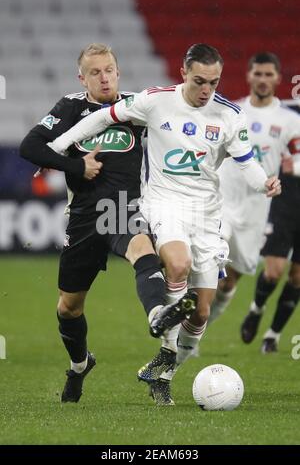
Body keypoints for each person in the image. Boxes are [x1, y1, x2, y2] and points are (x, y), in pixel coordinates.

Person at [48, 43, 281, 406]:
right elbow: (103, 116)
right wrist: (59, 146)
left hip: (208, 214)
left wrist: (264, 181)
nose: (207, 90)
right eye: (200, 81)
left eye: (214, 82)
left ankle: (165, 369)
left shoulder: (230, 115)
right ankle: (161, 323)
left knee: (201, 312)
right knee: (177, 262)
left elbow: (247, 164)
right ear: (185, 73)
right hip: (164, 203)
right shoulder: (155, 101)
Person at [20, 43, 196, 404]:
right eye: (95, 72)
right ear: (81, 78)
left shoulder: (136, 106)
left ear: (119, 72)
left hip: (123, 207)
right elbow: (30, 146)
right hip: (84, 216)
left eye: (109, 70)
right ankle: (80, 364)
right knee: (69, 307)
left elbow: (178, 127)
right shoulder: (71, 107)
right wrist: (77, 166)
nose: (104, 78)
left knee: (142, 250)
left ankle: (158, 314)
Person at [209, 53, 300, 336]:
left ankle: (195, 333)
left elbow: (298, 157)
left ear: (278, 78)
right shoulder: (231, 112)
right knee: (211, 261)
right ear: (248, 76)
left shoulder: (289, 121)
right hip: (222, 200)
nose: (262, 80)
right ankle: (180, 324)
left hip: (257, 209)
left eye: (268, 75)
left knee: (228, 283)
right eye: (257, 74)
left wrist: (293, 166)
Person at [241, 155, 300, 353]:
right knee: (274, 272)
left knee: (298, 277)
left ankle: (272, 336)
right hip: (285, 204)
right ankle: (256, 309)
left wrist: (296, 168)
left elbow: (293, 166)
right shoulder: (291, 124)